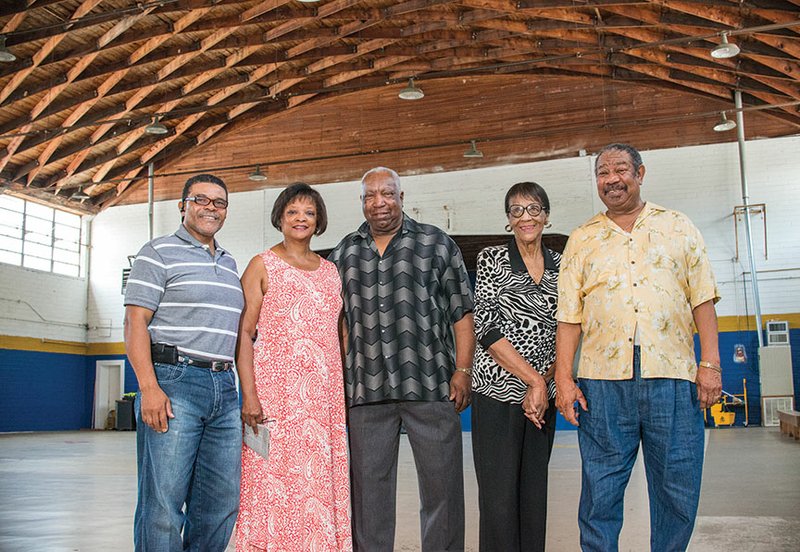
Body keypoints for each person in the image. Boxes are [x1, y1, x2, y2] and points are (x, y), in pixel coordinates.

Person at [554, 143, 722, 552]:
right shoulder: (582, 239)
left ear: (640, 174)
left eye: (621, 170)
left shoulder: (679, 227)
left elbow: (702, 298)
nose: (612, 179)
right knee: (600, 490)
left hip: (673, 375)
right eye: (603, 172)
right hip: (602, 382)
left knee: (676, 487)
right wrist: (563, 377)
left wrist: (711, 365)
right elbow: (569, 316)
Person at [328, 167, 475, 552]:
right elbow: (338, 325)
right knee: (368, 496)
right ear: (362, 202)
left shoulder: (436, 244)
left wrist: (462, 370)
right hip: (366, 391)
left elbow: (462, 313)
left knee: (441, 488)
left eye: (387, 194)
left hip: (431, 384)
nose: (379, 202)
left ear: (401, 196)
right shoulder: (344, 253)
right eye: (370, 196)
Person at [123, 174, 244, 551]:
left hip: (225, 389)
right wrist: (149, 388)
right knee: (163, 504)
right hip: (175, 383)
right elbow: (135, 322)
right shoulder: (157, 252)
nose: (211, 207)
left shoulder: (228, 262)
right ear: (183, 205)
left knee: (219, 504)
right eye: (201, 199)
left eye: (219, 202)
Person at [234, 183, 351, 551]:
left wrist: (338, 384)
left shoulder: (332, 271)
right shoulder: (261, 265)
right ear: (280, 219)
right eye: (293, 212)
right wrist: (249, 395)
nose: (301, 219)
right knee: (272, 480)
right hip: (274, 397)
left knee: (317, 482)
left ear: (319, 222)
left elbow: (340, 332)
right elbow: (243, 334)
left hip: (322, 401)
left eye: (309, 213)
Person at [471, 182, 560, 552]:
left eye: (534, 208)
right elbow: (486, 328)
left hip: (542, 401)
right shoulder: (492, 259)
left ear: (546, 216)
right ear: (508, 220)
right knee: (498, 500)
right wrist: (533, 380)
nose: (526, 217)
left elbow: (568, 329)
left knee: (533, 496)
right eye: (517, 210)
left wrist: (544, 384)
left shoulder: (562, 265)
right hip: (497, 394)